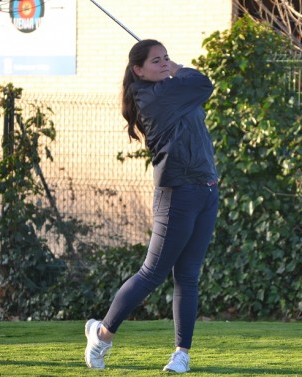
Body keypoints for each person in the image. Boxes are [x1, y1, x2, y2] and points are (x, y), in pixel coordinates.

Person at [84, 39, 219, 373]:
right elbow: (204, 83)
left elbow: (196, 90)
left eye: (166, 58)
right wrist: (176, 69)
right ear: (138, 70)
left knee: (188, 276)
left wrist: (172, 71)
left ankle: (181, 355)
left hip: (205, 190)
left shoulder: (171, 91)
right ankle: (101, 336)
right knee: (152, 273)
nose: (163, 64)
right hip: (177, 194)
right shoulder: (154, 96)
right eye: (156, 60)